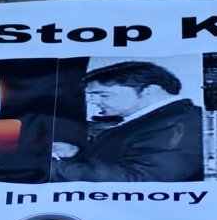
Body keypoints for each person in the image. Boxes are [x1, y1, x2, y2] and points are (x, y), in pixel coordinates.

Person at [51, 61, 203, 182]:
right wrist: (75, 155)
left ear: (150, 91)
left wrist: (50, 167)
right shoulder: (160, 119)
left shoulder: (181, 122)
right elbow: (125, 159)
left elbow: (141, 180)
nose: (93, 102)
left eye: (103, 95)